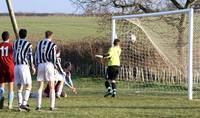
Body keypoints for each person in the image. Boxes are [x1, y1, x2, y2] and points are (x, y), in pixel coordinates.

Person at [13, 29, 36, 111]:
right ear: (26, 35)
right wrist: (32, 67)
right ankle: (24, 103)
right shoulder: (28, 44)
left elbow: (13, 55)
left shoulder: (15, 43)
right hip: (24, 66)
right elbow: (30, 56)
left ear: (19, 35)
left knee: (19, 86)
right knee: (28, 85)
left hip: (16, 66)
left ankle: (19, 105)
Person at [35, 31, 57, 111]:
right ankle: (52, 106)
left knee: (40, 86)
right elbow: (54, 58)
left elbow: (36, 55)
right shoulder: (53, 45)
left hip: (40, 65)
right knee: (51, 86)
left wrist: (36, 65)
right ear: (51, 36)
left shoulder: (39, 43)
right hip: (49, 65)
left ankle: (38, 106)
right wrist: (55, 67)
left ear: (45, 35)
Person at [0, 31, 14, 110]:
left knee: (2, 86)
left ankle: (0, 102)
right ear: (9, 37)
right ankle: (10, 105)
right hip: (10, 67)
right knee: (11, 86)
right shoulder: (11, 46)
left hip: (1, 67)